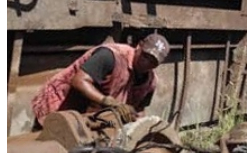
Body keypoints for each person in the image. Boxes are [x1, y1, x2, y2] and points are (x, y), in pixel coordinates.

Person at [31, 33, 169, 126]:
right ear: (138, 46)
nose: (147, 63)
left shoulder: (149, 82)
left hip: (90, 118)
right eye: (145, 56)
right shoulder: (111, 56)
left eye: (153, 62)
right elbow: (79, 81)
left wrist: (138, 124)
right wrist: (109, 102)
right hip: (61, 104)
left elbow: (139, 109)